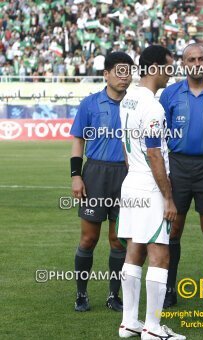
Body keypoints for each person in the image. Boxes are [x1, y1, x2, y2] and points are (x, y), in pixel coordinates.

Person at [117, 45, 185, 340]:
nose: (171, 73)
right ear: (155, 67)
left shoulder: (127, 99)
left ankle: (129, 322)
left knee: (134, 250)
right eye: (169, 67)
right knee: (160, 255)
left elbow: (124, 145)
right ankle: (153, 328)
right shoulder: (153, 107)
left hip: (131, 181)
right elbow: (155, 154)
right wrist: (168, 197)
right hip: (149, 184)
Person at [159, 43, 203, 310]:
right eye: (191, 59)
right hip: (178, 167)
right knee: (174, 229)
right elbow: (159, 135)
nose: (196, 62)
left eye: (201, 58)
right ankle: (169, 289)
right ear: (183, 63)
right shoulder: (170, 95)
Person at [69, 51, 134, 312]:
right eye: (118, 71)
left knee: (118, 240)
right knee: (88, 239)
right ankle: (81, 294)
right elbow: (78, 141)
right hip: (95, 174)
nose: (124, 77)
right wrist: (76, 175)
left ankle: (113, 295)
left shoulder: (136, 104)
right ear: (106, 74)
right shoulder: (90, 104)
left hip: (127, 177)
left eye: (128, 71)